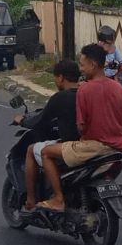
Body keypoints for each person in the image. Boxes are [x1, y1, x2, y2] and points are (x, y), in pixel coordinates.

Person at [39, 44, 122, 209]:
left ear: (93, 64)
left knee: (45, 152)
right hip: (116, 148)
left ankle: (58, 199)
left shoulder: (85, 90)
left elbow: (81, 126)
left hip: (93, 147)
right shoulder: (119, 88)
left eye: (83, 64)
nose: (81, 69)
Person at [16, 58, 81, 211]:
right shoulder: (85, 93)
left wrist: (22, 121)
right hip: (88, 142)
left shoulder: (60, 98)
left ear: (60, 77)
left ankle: (32, 200)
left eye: (55, 78)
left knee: (32, 149)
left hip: (71, 145)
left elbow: (40, 120)